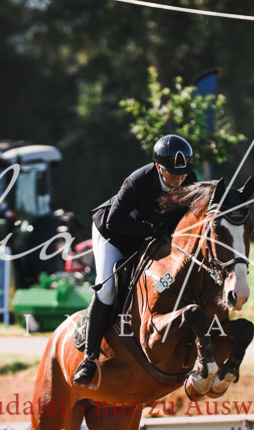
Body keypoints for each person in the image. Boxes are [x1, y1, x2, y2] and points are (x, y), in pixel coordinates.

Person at [72, 134, 199, 388]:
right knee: (107, 288)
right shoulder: (138, 181)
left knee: (171, 278)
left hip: (150, 235)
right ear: (158, 168)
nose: (180, 179)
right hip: (113, 235)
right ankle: (90, 358)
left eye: (183, 173)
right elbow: (114, 221)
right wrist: (152, 229)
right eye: (174, 174)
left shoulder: (189, 179)